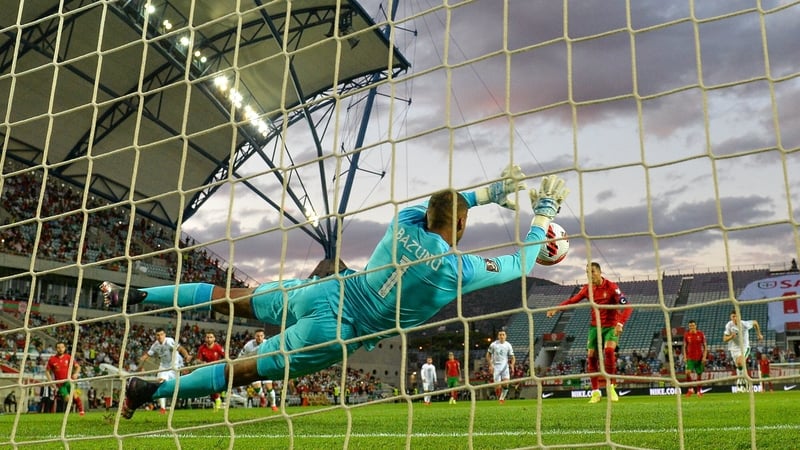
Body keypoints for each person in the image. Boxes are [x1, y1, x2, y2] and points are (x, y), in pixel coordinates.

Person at [100, 170, 569, 419]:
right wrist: (542, 213)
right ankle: (148, 391)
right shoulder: (452, 270)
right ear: (462, 226)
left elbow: (444, 203)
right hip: (336, 330)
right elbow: (523, 262)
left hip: (324, 290)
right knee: (242, 371)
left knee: (233, 296)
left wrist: (487, 192)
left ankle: (138, 296)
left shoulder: (403, 221)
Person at [547, 262, 631, 403]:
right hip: (594, 327)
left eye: (592, 271)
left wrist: (620, 323)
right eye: (587, 272)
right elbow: (572, 300)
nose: (589, 275)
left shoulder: (611, 287)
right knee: (591, 357)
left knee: (609, 351)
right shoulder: (587, 289)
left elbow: (627, 307)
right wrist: (557, 308)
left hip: (611, 326)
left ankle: (611, 387)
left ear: (599, 272)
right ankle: (595, 392)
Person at [138, 328, 192, 414]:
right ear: (155, 336)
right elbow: (148, 354)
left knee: (176, 387)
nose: (160, 337)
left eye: (161, 334)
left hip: (174, 366)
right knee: (160, 384)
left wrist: (187, 355)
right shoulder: (155, 345)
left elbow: (180, 348)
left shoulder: (169, 341)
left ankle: (183, 404)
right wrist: (141, 362)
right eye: (158, 335)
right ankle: (163, 408)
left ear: (165, 335)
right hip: (163, 366)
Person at [238, 330, 279, 411]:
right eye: (257, 336)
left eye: (261, 336)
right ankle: (262, 397)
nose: (259, 338)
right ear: (254, 336)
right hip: (253, 368)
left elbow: (275, 354)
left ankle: (273, 405)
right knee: (257, 388)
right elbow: (241, 355)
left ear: (264, 336)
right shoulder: (249, 345)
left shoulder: (268, 343)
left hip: (265, 367)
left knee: (269, 388)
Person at [723, 311, 763, 392]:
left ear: (739, 316)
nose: (734, 318)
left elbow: (755, 322)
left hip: (744, 347)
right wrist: (731, 336)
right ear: (731, 317)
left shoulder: (744, 324)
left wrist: (759, 334)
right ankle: (742, 380)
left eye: (736, 316)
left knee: (740, 362)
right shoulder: (729, 325)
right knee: (739, 365)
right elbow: (725, 339)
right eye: (733, 316)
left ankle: (741, 381)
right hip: (733, 349)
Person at [45, 342, 85, 416]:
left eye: (62, 347)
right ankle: (71, 411)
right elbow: (47, 371)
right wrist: (51, 382)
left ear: (65, 348)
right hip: (60, 384)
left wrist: (76, 373)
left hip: (69, 381)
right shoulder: (52, 359)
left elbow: (78, 367)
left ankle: (81, 411)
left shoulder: (68, 357)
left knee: (75, 395)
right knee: (67, 399)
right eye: (58, 347)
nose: (60, 349)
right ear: (56, 349)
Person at [196, 331, 225, 410]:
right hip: (206, 369)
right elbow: (197, 360)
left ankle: (219, 399)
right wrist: (202, 362)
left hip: (216, 369)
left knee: (213, 385)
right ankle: (217, 400)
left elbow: (226, 357)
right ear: (205, 338)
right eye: (207, 337)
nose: (209, 339)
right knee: (210, 388)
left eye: (211, 337)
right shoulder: (202, 348)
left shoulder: (218, 347)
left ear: (214, 338)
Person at [486, 330, 515, 403]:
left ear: (505, 336)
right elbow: (488, 355)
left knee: (506, 384)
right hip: (496, 367)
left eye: (503, 335)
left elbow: (512, 357)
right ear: (498, 336)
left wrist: (512, 365)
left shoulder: (508, 345)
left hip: (505, 367)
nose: (502, 336)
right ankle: (499, 397)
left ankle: (501, 399)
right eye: (500, 335)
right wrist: (490, 365)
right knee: (498, 386)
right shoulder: (493, 344)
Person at [683, 320, 707, 397]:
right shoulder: (687, 335)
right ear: (689, 327)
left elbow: (705, 346)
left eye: (693, 325)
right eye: (690, 326)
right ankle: (690, 389)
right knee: (687, 372)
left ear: (695, 326)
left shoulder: (701, 334)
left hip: (699, 357)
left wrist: (704, 356)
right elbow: (684, 346)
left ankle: (699, 391)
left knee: (699, 375)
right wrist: (685, 356)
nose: (692, 327)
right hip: (690, 358)